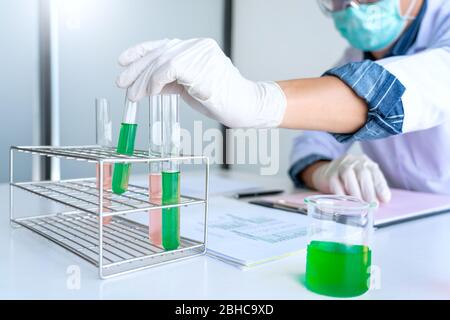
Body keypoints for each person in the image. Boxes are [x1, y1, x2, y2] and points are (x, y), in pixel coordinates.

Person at [116, 0, 450, 203]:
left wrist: (256, 100)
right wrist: (322, 172)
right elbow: (312, 141)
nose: (351, 6)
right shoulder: (352, 59)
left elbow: (426, 84)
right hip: (403, 219)